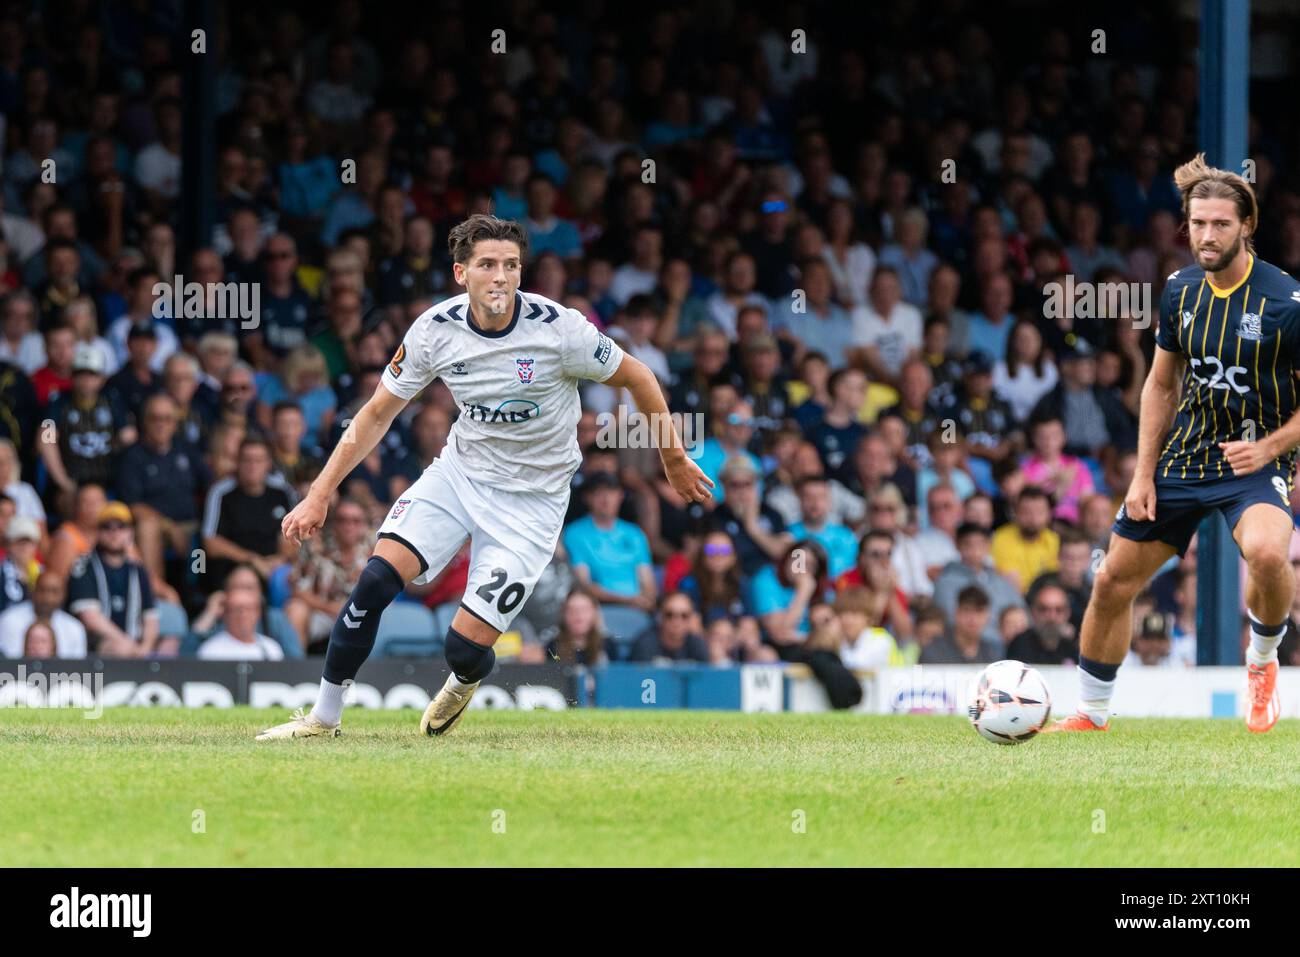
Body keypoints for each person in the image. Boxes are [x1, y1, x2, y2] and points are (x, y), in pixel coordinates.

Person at [258, 214, 710, 740]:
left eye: (512, 266)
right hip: (461, 474)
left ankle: (467, 677)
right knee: (376, 580)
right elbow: (377, 413)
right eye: (487, 265)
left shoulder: (560, 329)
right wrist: (320, 493)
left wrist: (673, 458)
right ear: (460, 273)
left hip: (533, 503)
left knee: (464, 650)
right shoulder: (434, 330)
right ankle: (323, 719)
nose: (501, 276)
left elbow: (640, 376)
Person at [1049, 155, 1300, 734]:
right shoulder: (1180, 291)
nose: (1206, 236)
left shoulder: (1286, 303)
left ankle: (1262, 662)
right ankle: (1091, 711)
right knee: (1112, 579)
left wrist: (1269, 448)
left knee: (1266, 553)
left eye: (1220, 224)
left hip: (1255, 458)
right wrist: (1142, 474)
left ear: (1247, 226)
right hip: (1184, 457)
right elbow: (1161, 384)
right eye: (1197, 224)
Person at [66, 501, 159, 657]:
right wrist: (128, 644)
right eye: (107, 527)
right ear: (98, 532)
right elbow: (90, 618)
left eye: (121, 527)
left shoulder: (138, 569)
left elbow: (150, 617)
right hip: (94, 644)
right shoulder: (83, 565)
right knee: (119, 648)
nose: (114, 533)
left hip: (134, 643)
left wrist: (146, 647)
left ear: (131, 532)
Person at [196, 587, 285, 660]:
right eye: (237, 609)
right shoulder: (210, 650)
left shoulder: (272, 648)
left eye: (249, 608)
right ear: (225, 614)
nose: (243, 614)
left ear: (258, 613)